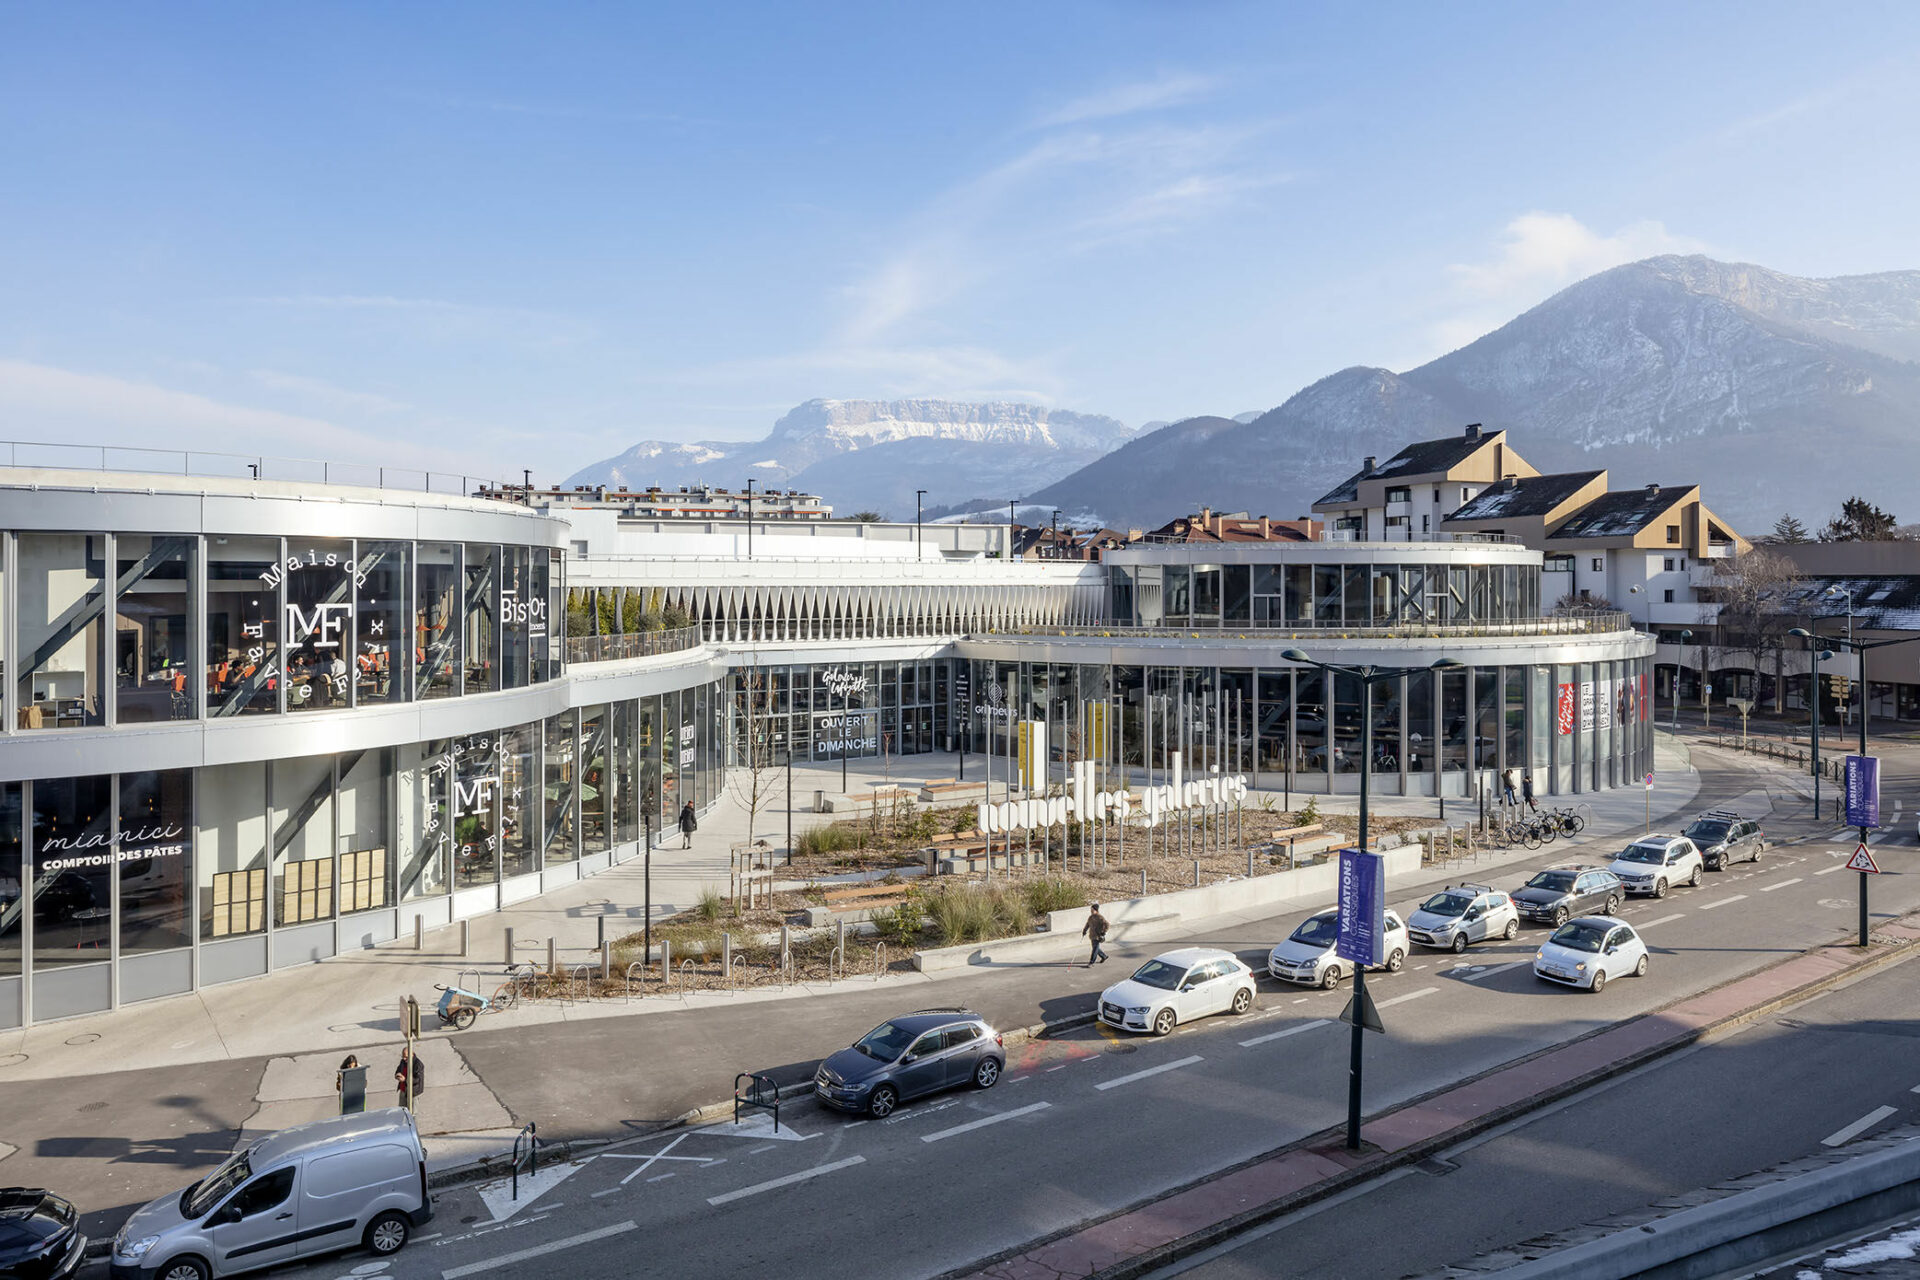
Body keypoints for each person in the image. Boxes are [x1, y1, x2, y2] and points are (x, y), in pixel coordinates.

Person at [1082, 903, 1109, 967]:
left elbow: (1107, 924)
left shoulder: (1100, 917)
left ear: (1096, 910)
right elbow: (1087, 924)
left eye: (1092, 910)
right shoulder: (1090, 917)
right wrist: (1084, 930)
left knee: (1094, 949)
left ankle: (1091, 962)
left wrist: (1104, 932)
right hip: (1092, 935)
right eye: (1091, 909)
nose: (1091, 911)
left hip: (1098, 936)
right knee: (1096, 948)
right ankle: (1104, 956)